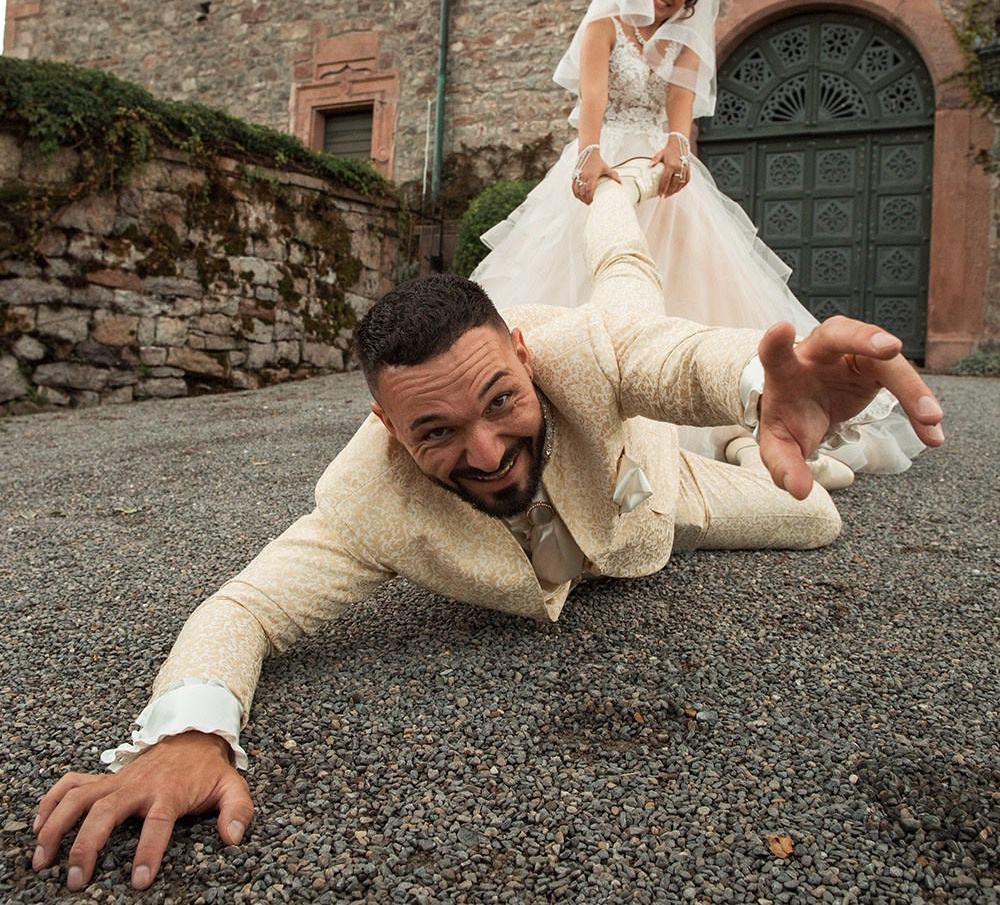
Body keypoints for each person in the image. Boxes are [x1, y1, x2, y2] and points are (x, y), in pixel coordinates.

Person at [31, 176, 945, 892]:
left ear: (522, 353)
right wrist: (189, 736)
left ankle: (624, 208)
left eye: (501, 402)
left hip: (657, 497)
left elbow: (669, 357)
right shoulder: (365, 498)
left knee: (805, 502)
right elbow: (245, 608)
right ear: (390, 430)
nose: (488, 452)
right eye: (435, 432)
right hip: (593, 490)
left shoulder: (580, 353)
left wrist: (755, 381)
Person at [470, 0, 924, 480]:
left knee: (684, 277)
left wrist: (678, 152)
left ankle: (730, 415)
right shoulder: (604, 25)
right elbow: (593, 97)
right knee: (588, 268)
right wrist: (589, 154)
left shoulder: (683, 44)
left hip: (659, 178)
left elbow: (679, 118)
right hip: (606, 155)